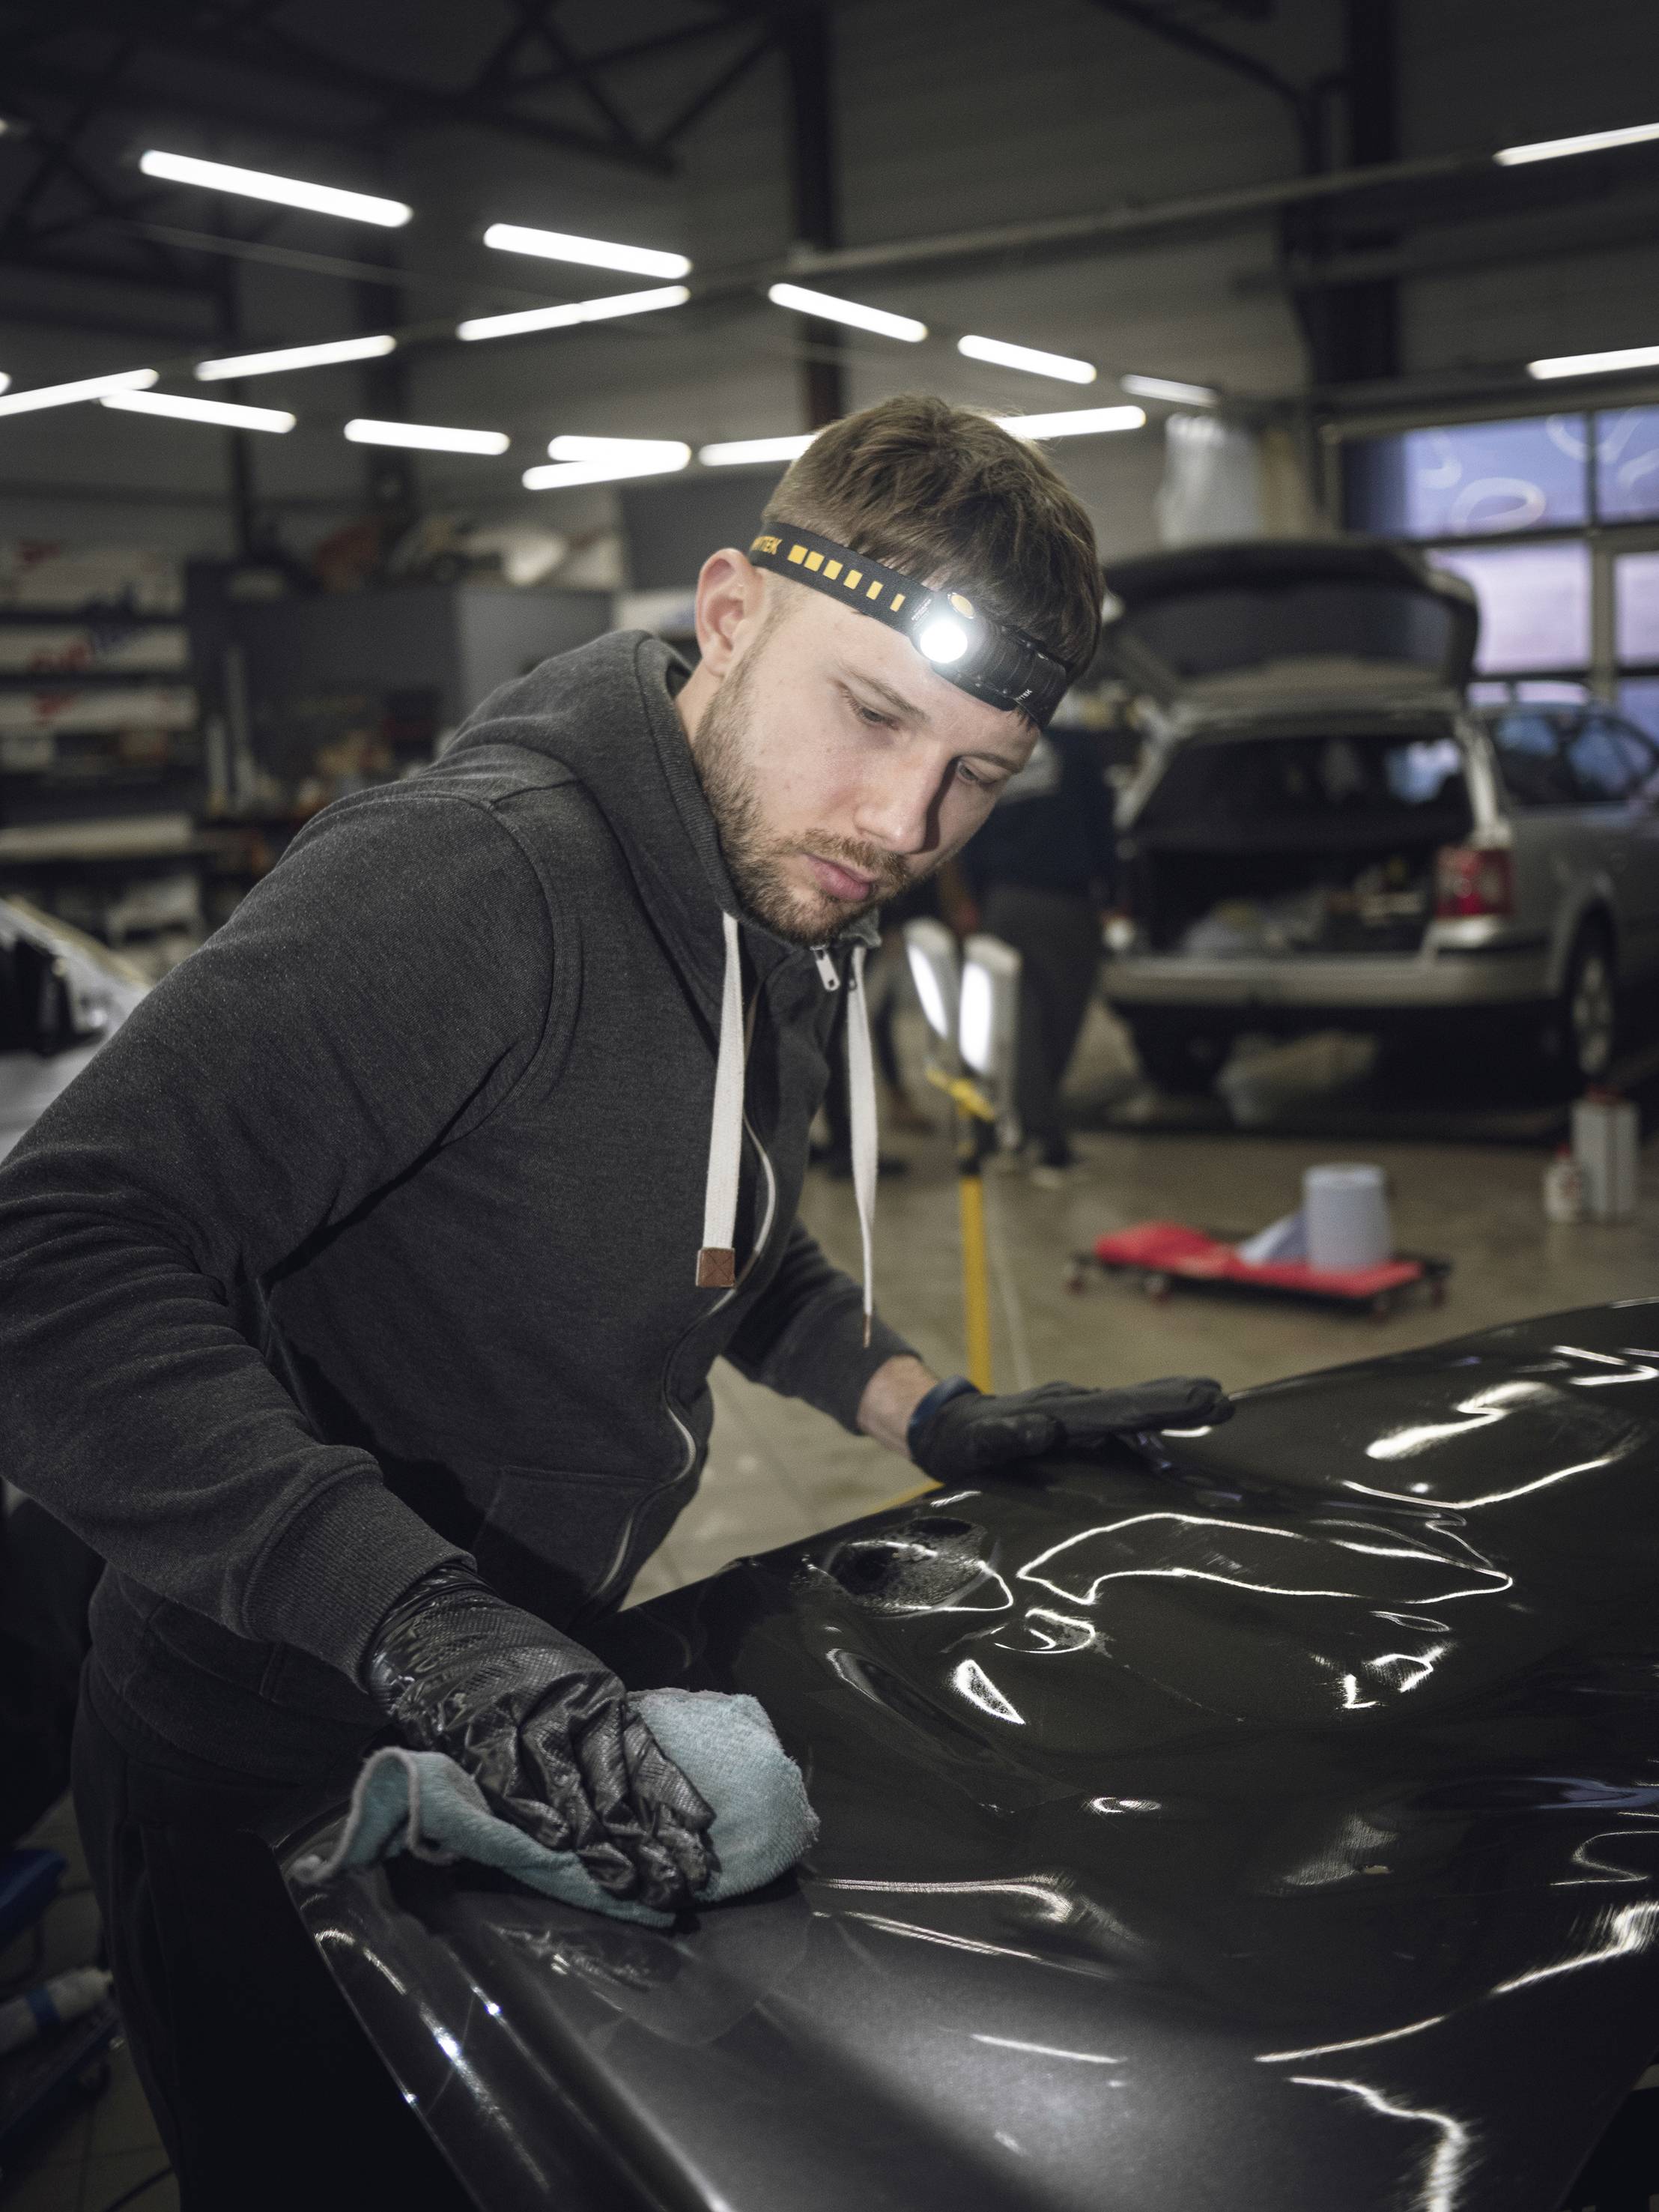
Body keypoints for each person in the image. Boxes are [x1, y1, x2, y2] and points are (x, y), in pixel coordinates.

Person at [0, 395, 1228, 2209]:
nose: (906, 819)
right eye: (873, 714)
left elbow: (719, 1241)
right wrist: (418, 1617)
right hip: (259, 1756)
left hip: (512, 1699)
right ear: (729, 609)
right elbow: (55, 1252)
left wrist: (921, 1407)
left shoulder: (775, 899)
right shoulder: (479, 878)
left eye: (978, 771)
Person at [961, 722, 1117, 1180]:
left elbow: (969, 823)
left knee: (1008, 1024)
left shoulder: (992, 742)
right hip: (1063, 902)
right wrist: (1111, 890)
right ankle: (1045, 1142)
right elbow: (1100, 816)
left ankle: (997, 1133)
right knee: (1055, 1024)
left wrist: (975, 897)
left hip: (1002, 901)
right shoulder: (1076, 746)